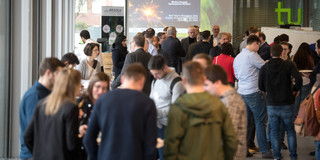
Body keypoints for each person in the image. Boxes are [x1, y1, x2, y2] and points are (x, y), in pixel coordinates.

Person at [164, 61, 237, 160]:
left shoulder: (178, 107)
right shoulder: (218, 104)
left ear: (184, 81)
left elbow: (171, 146)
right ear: (204, 79)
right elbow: (231, 141)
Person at [84, 63, 157, 160]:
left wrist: (97, 156)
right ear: (142, 81)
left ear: (122, 79)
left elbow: (89, 138)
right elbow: (150, 145)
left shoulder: (103, 99)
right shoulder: (148, 103)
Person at [24, 68, 82, 160]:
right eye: (79, 83)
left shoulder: (42, 104)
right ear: (74, 86)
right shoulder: (71, 108)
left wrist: (39, 153)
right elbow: (72, 145)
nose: (80, 86)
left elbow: (27, 137)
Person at [259, 44, 302, 160]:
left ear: (270, 53)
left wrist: (268, 91)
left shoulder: (264, 67)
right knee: (290, 130)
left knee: (274, 131)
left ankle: (277, 156)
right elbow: (299, 79)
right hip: (287, 102)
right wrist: (295, 90)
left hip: (272, 103)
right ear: (282, 52)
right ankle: (293, 156)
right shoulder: (289, 64)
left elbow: (260, 86)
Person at [234, 35, 273, 158]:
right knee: (260, 122)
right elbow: (265, 68)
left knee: (246, 123)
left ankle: (244, 149)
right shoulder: (252, 55)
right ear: (255, 43)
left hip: (241, 92)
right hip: (254, 93)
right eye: (259, 45)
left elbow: (236, 74)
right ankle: (265, 151)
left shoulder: (238, 57)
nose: (259, 47)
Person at [19, 58, 64, 160]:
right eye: (59, 74)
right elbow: (35, 131)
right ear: (48, 73)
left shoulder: (47, 93)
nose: (62, 79)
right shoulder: (34, 96)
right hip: (33, 155)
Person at [204, 65, 247, 160]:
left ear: (217, 83)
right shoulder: (226, 99)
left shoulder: (230, 102)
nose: (205, 89)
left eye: (207, 85)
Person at [148, 55, 185, 160]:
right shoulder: (156, 79)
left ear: (164, 68)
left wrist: (156, 112)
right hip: (155, 125)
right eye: (153, 74)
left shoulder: (176, 82)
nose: (155, 76)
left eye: (157, 74)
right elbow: (152, 98)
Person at [293, 42, 315, 117]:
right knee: (304, 100)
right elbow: (312, 69)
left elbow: (293, 69)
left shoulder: (295, 57)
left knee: (296, 100)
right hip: (306, 81)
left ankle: (295, 116)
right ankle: (302, 117)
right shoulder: (309, 58)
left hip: (296, 81)